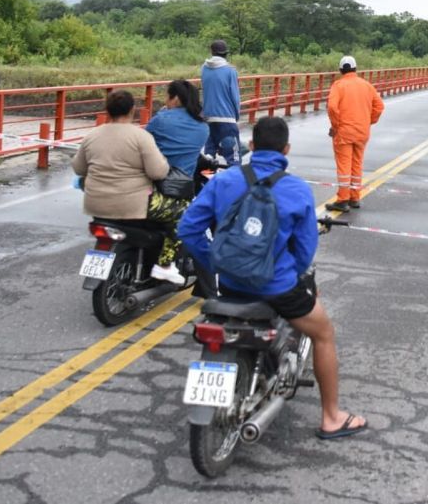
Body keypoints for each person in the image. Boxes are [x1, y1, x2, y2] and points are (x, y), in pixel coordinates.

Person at [177, 115, 367, 439]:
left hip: (230, 284)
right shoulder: (296, 189)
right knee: (323, 334)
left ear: (251, 146)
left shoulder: (223, 181)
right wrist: (284, 274)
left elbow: (188, 228)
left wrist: (215, 262)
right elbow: (305, 251)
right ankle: (332, 417)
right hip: (277, 286)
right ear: (287, 149)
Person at [144, 79, 209, 285]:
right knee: (187, 219)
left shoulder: (160, 120)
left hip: (148, 185)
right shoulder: (202, 128)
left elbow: (144, 143)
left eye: (167, 96)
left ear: (176, 98)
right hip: (177, 190)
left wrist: (163, 113)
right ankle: (165, 264)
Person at [71, 90, 169, 220]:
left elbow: (79, 168)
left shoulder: (92, 135)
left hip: (95, 205)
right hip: (132, 206)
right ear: (132, 110)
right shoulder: (141, 137)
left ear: (107, 110)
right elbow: (157, 172)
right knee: (178, 209)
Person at [325, 55, 384, 213]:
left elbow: (331, 107)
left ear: (340, 70)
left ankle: (343, 199)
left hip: (344, 132)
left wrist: (335, 125)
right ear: (356, 69)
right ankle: (354, 197)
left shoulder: (339, 85)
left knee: (344, 165)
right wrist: (369, 121)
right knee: (357, 164)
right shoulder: (366, 85)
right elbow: (379, 106)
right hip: (362, 132)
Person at [201, 40, 242, 167]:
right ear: (226, 54)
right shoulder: (230, 71)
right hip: (226, 119)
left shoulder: (204, 69)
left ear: (212, 52)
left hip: (208, 118)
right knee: (234, 158)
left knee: (209, 159)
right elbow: (235, 97)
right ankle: (234, 185)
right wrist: (236, 116)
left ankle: (208, 184)